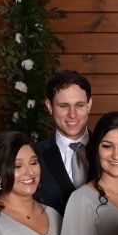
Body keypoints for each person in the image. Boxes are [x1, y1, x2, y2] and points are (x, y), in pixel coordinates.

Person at [34, 70, 92, 216]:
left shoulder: (109, 151)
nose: (72, 114)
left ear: (89, 105)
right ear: (49, 106)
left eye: (79, 105)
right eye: (64, 106)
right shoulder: (35, 156)